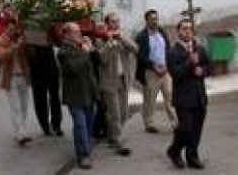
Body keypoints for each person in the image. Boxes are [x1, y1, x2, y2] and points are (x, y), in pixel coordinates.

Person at [167, 19, 210, 169]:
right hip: (183, 98)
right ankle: (174, 151)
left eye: (190, 29)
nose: (187, 31)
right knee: (186, 129)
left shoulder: (200, 48)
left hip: (199, 97)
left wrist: (202, 71)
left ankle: (192, 157)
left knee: (197, 129)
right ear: (178, 31)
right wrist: (190, 63)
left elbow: (208, 67)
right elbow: (175, 74)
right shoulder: (172, 51)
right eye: (184, 29)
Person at [58, 22, 100, 170]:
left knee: (88, 124)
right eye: (75, 32)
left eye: (79, 31)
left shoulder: (82, 47)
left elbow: (97, 62)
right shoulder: (63, 51)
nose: (80, 34)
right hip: (75, 95)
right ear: (67, 35)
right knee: (80, 125)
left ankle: (85, 148)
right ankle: (83, 155)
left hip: (88, 92)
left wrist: (92, 50)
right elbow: (73, 68)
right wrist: (85, 53)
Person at [95, 13, 138, 156]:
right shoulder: (101, 39)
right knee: (114, 112)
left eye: (118, 21)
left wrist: (122, 38)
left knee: (124, 112)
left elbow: (135, 49)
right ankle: (118, 141)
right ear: (107, 24)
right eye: (113, 22)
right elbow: (101, 59)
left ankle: (112, 135)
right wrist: (109, 41)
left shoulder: (122, 37)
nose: (117, 24)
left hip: (123, 80)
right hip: (108, 81)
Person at [135, 9, 177, 133]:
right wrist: (154, 66)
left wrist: (167, 65)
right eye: (152, 19)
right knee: (150, 99)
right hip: (150, 72)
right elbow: (141, 56)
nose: (155, 21)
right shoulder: (141, 36)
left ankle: (175, 122)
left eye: (156, 19)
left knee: (170, 96)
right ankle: (149, 123)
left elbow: (168, 49)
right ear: (146, 21)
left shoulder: (162, 32)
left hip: (165, 70)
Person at [0, 21, 33, 147]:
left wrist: (26, 44)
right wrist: (15, 46)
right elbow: (2, 56)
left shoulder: (20, 39)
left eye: (14, 29)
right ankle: (20, 134)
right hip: (10, 78)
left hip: (23, 76)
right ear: (5, 29)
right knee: (15, 106)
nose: (13, 31)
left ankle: (23, 130)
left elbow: (31, 55)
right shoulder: (0, 40)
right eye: (10, 29)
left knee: (24, 106)